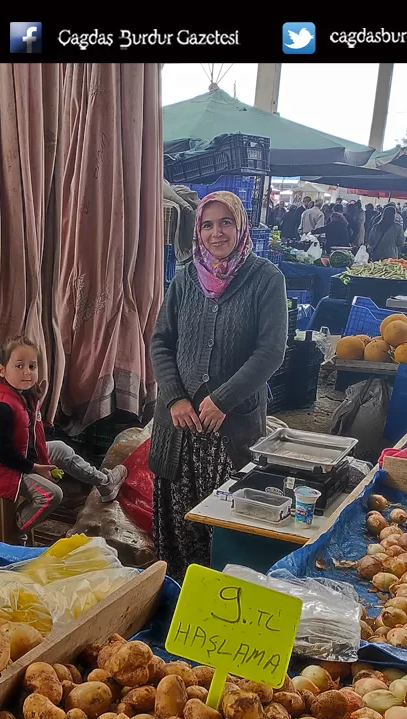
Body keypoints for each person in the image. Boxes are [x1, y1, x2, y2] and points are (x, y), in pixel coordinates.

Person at [149, 191, 288, 580]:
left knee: (227, 526)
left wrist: (223, 399)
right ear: (198, 230)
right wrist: (175, 398)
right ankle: (176, 602)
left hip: (230, 427)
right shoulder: (184, 277)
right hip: (179, 428)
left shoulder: (265, 278)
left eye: (225, 222)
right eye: (207, 224)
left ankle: (218, 611)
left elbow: (271, 351)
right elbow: (161, 342)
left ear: (241, 225)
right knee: (177, 529)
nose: (216, 233)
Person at [0, 335, 128, 538]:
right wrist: (35, 468)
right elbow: (0, 453)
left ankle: (105, 483)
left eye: (32, 366)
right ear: (1, 370)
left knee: (60, 447)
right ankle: (12, 532)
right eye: (19, 366)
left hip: (18, 455)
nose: (27, 372)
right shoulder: (0, 406)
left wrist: (38, 458)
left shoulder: (19, 393)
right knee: (52, 495)